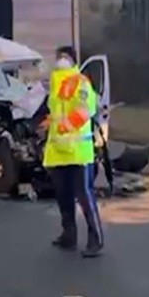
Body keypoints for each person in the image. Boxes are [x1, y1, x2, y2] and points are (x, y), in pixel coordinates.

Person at [43, 45, 104, 258]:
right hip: (58, 151)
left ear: (73, 61)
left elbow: (85, 110)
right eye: (58, 57)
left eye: (64, 57)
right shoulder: (55, 84)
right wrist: (48, 123)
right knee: (63, 196)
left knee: (84, 196)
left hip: (78, 151)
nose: (60, 60)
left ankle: (95, 239)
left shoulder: (81, 82)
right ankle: (68, 235)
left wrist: (64, 125)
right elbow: (57, 113)